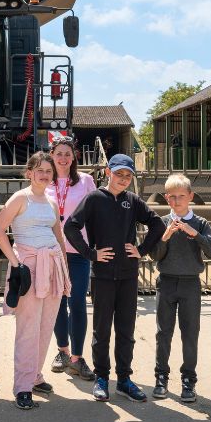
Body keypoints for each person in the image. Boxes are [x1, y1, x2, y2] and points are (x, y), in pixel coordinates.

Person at [64, 154, 165, 403]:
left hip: (129, 275)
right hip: (103, 275)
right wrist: (90, 253)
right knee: (101, 330)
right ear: (108, 172)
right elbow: (70, 226)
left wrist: (141, 250)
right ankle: (101, 378)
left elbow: (157, 225)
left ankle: (124, 380)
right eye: (119, 174)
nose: (123, 179)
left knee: (126, 330)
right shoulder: (95, 198)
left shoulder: (133, 201)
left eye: (128, 175)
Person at [0, 152, 71, 410]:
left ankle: (35, 376)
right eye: (39, 170)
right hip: (28, 265)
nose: (45, 174)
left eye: (48, 171)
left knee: (46, 325)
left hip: (52, 265)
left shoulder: (50, 201)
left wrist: (64, 267)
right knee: (28, 328)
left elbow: (58, 234)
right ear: (29, 173)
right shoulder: (20, 197)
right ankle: (23, 386)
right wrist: (15, 262)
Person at [149, 174, 211, 403]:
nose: (177, 201)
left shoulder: (201, 223)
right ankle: (161, 377)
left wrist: (194, 234)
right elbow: (155, 255)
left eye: (182, 196)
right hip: (166, 282)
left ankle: (189, 380)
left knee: (190, 334)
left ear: (190, 197)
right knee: (163, 333)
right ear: (166, 198)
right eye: (172, 197)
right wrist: (166, 236)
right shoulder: (161, 222)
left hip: (190, 284)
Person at [46, 136, 96, 381]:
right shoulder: (45, 180)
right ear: (52, 155)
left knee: (76, 302)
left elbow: (97, 212)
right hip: (52, 251)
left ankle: (77, 357)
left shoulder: (86, 181)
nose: (63, 158)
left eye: (68, 154)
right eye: (59, 154)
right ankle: (62, 351)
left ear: (74, 156)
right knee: (56, 302)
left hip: (78, 251)